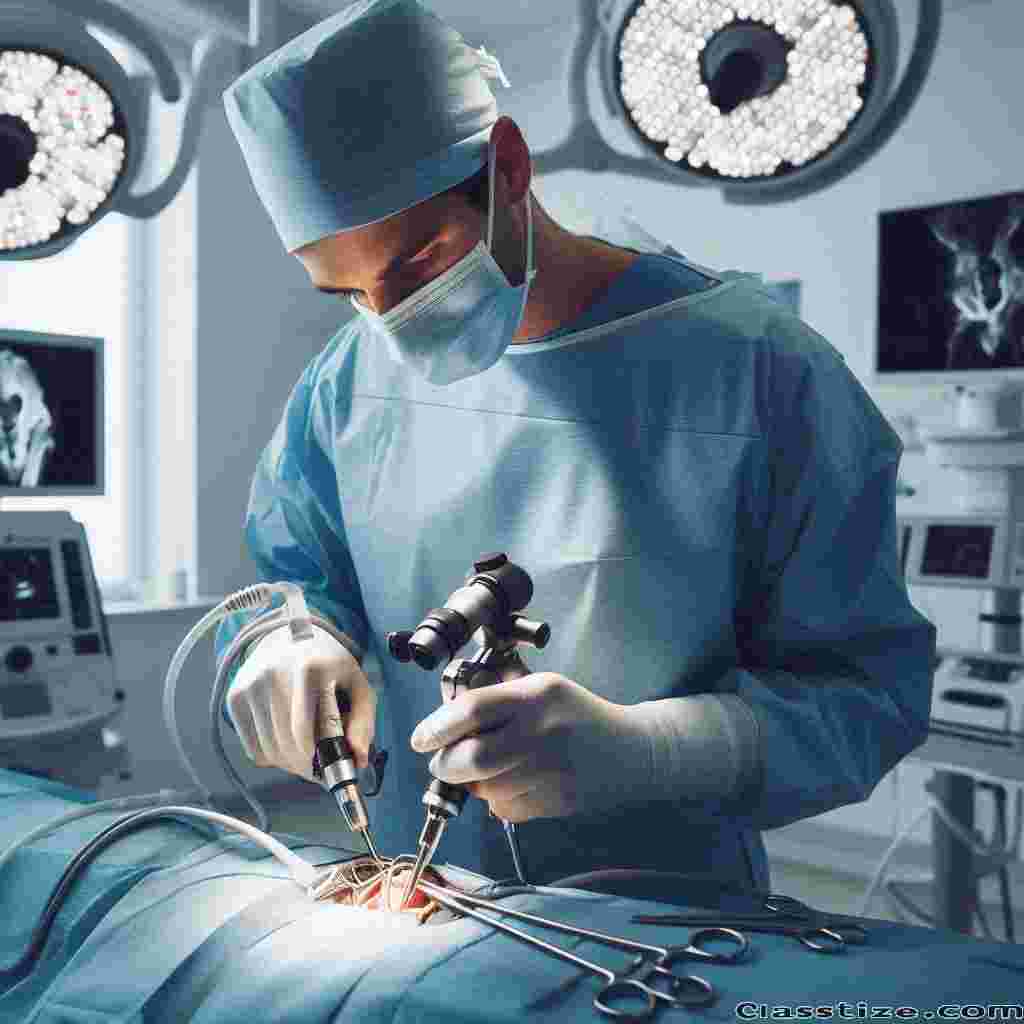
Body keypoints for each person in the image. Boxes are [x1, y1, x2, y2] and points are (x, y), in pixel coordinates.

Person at [215, 0, 937, 891]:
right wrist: (293, 639)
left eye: (418, 262)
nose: (391, 321)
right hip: (423, 888)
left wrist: (656, 748)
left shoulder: (764, 373)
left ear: (509, 167)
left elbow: (867, 696)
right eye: (349, 292)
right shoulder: (345, 381)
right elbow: (297, 572)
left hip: (672, 917)